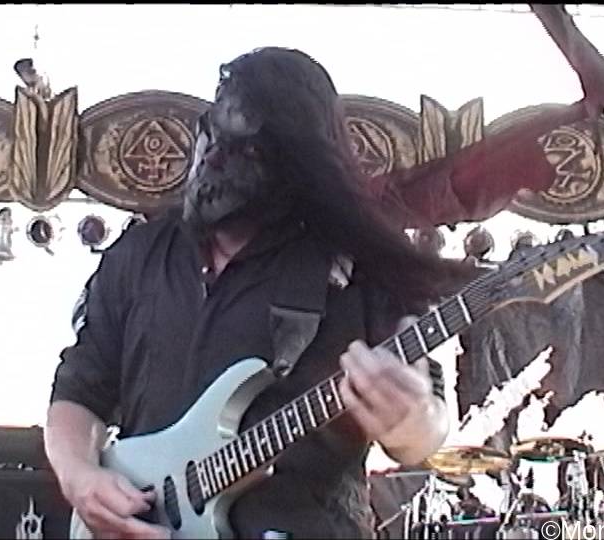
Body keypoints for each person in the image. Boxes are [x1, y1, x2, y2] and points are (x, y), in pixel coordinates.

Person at [45, 47, 474, 539]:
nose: (212, 158)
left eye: (244, 150)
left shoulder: (360, 270)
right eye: (211, 132)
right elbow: (79, 389)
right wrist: (79, 477)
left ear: (297, 166)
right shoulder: (140, 254)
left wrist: (411, 421)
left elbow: (425, 427)